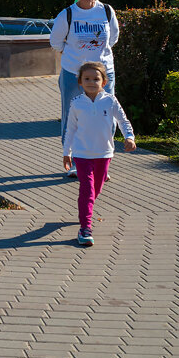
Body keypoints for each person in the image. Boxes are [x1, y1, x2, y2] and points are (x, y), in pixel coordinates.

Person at [49, 0, 119, 178]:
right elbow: (55, 42)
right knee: (73, 117)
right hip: (74, 74)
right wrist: (77, 57)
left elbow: (112, 38)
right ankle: (74, 162)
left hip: (103, 74)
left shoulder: (106, 11)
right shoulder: (67, 14)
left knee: (107, 117)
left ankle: (101, 163)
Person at [62, 62, 136, 247]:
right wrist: (67, 153)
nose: (91, 82)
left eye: (96, 79)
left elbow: (123, 121)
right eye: (87, 79)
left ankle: (85, 208)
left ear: (104, 82)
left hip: (104, 153)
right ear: (80, 82)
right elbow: (70, 129)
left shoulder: (110, 101)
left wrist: (129, 137)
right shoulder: (76, 103)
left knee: (97, 188)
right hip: (82, 154)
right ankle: (85, 228)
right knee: (87, 189)